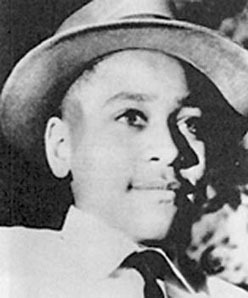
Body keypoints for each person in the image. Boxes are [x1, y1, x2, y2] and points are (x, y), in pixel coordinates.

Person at [0, 0, 248, 297]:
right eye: (131, 117)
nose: (170, 150)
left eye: (190, 125)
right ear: (61, 145)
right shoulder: (12, 267)